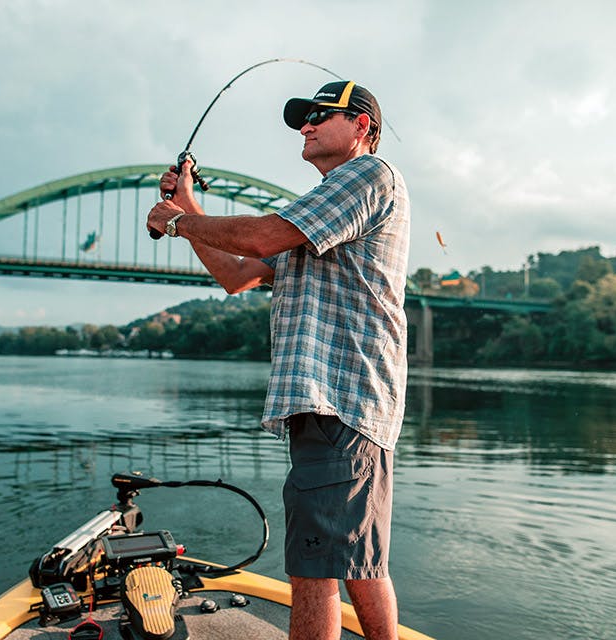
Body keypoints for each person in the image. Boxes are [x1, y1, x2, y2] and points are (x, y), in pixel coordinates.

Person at [147, 80, 410, 640]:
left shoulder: (368, 175)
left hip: (342, 402)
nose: (305, 126)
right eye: (301, 119)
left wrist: (176, 220)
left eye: (320, 116)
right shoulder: (322, 217)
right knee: (359, 564)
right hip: (341, 408)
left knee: (313, 569)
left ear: (362, 126)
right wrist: (190, 208)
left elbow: (266, 235)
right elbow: (237, 273)